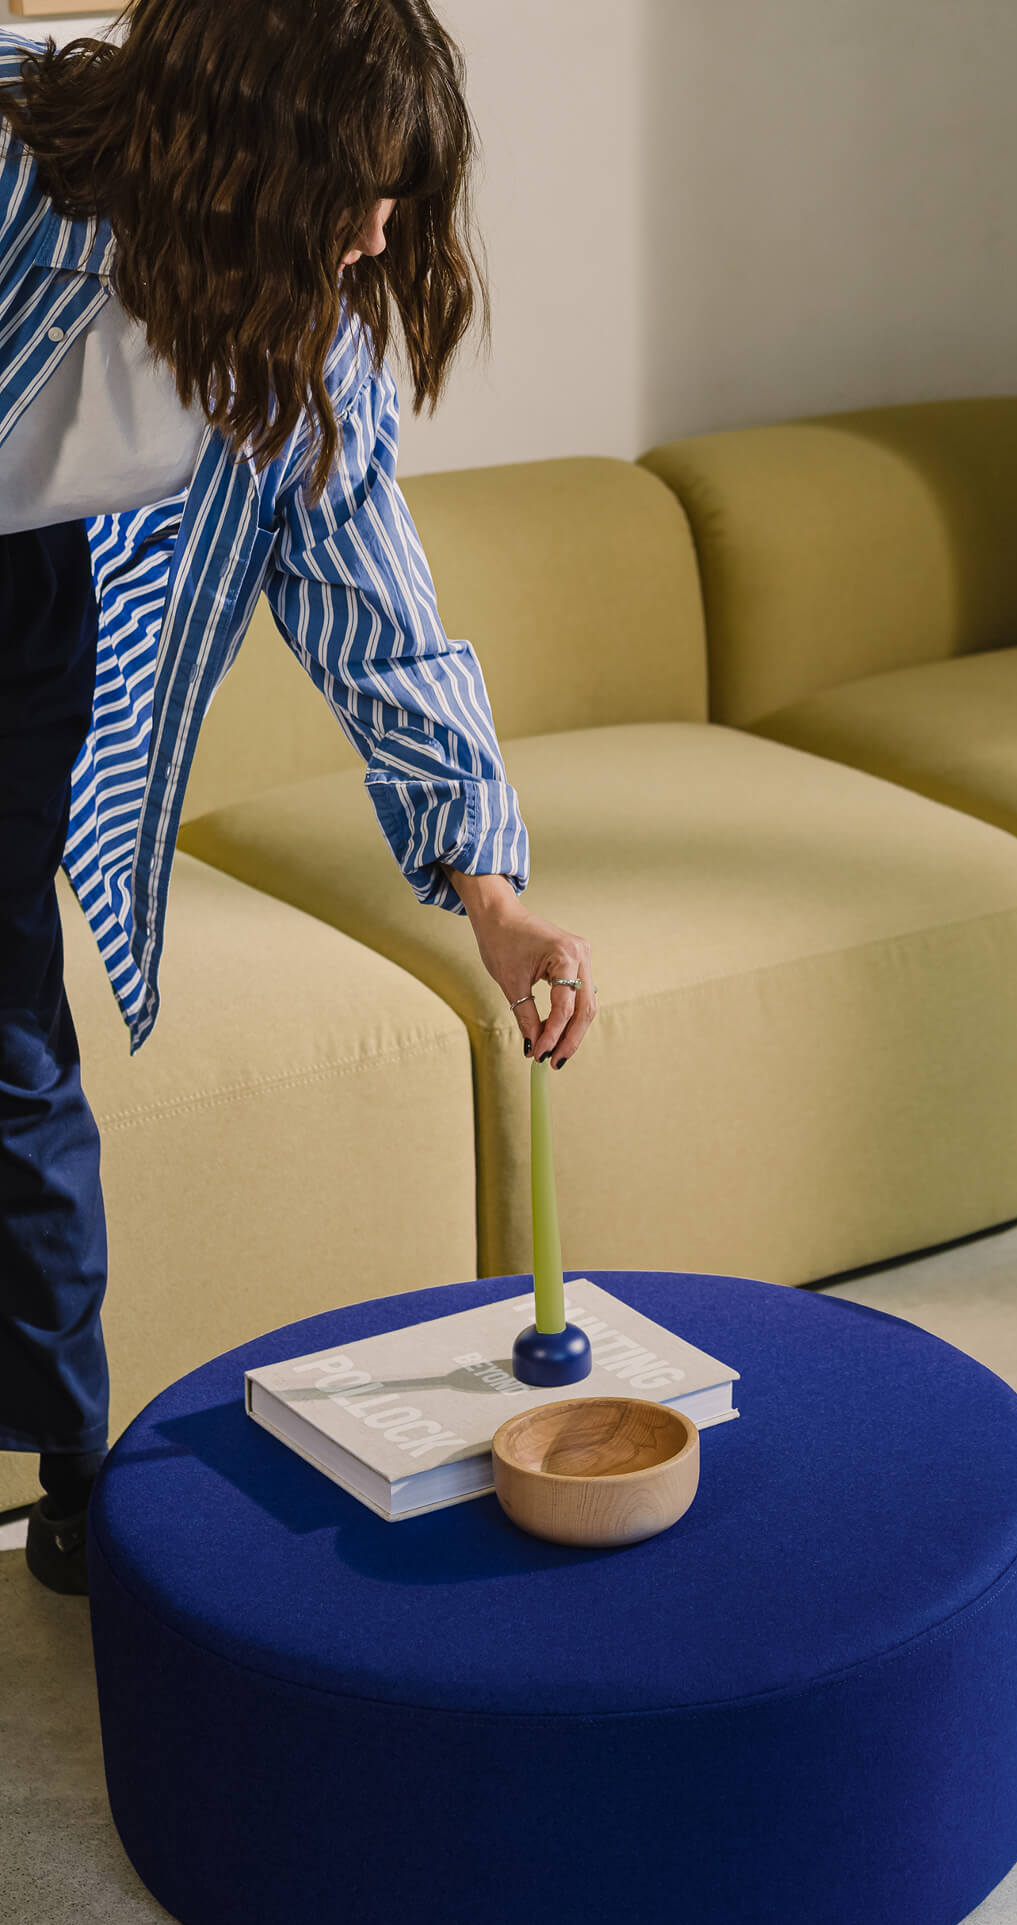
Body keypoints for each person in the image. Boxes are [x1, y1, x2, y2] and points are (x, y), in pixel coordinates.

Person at [0, 0, 597, 1595]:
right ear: (233, 156)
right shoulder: (10, 170)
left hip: (24, 623)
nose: (381, 232)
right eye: (356, 189)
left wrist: (493, 895)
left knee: (11, 1057)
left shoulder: (307, 336)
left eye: (400, 194)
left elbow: (377, 616)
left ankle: (73, 1473)